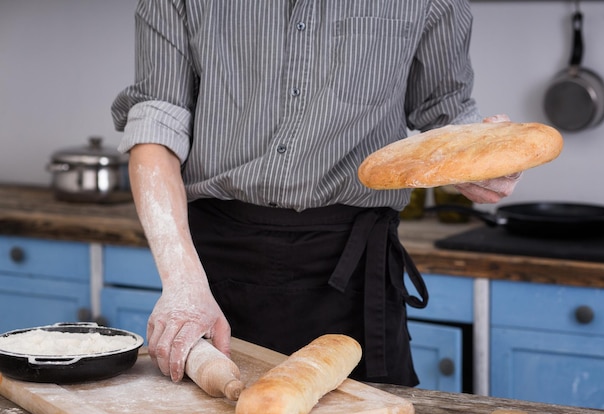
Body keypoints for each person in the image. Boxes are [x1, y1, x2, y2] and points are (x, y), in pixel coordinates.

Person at [111, 0, 520, 387]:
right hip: (213, 269)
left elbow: (446, 114)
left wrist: (482, 160)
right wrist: (182, 283)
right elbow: (156, 122)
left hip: (354, 269)